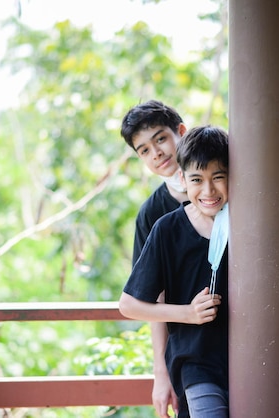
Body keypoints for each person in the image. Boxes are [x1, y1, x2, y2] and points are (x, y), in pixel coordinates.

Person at [119, 125, 230, 418]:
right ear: (183, 178)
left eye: (218, 177)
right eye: (197, 180)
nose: (208, 190)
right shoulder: (166, 227)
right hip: (198, 364)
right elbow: (129, 304)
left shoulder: (248, 221)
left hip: (253, 360)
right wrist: (187, 314)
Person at [121, 100, 189, 417]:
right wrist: (161, 374)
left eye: (160, 139)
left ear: (181, 133)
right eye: (144, 150)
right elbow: (152, 298)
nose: (156, 153)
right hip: (190, 349)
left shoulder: (225, 185)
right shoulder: (151, 215)